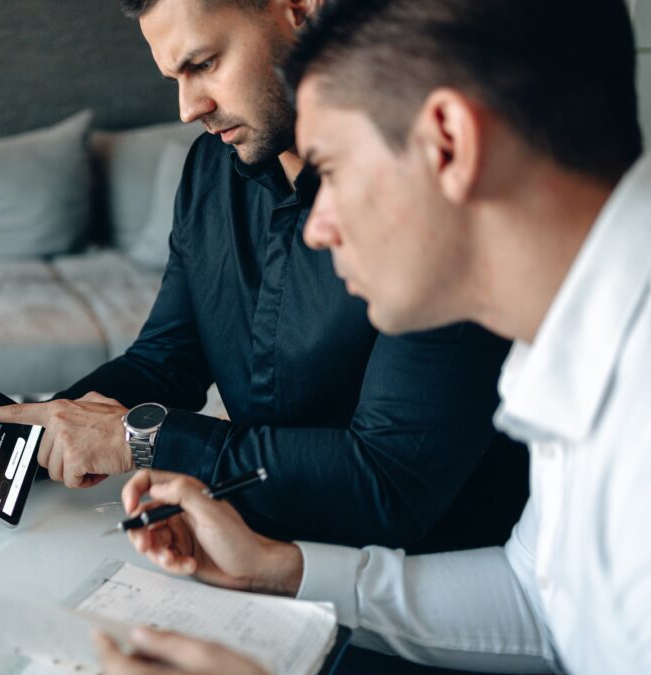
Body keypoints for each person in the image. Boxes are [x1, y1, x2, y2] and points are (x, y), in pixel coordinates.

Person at [96, 0, 649, 672]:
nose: (317, 226)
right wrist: (278, 569)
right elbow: (539, 597)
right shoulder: (568, 338)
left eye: (331, 167)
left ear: (448, 141)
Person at [0, 0, 527, 553]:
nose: (187, 107)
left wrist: (141, 440)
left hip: (413, 602)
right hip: (241, 554)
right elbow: (164, 363)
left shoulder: (430, 191)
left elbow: (390, 486)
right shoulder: (212, 173)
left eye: (204, 63)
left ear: (300, 10)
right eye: (173, 77)